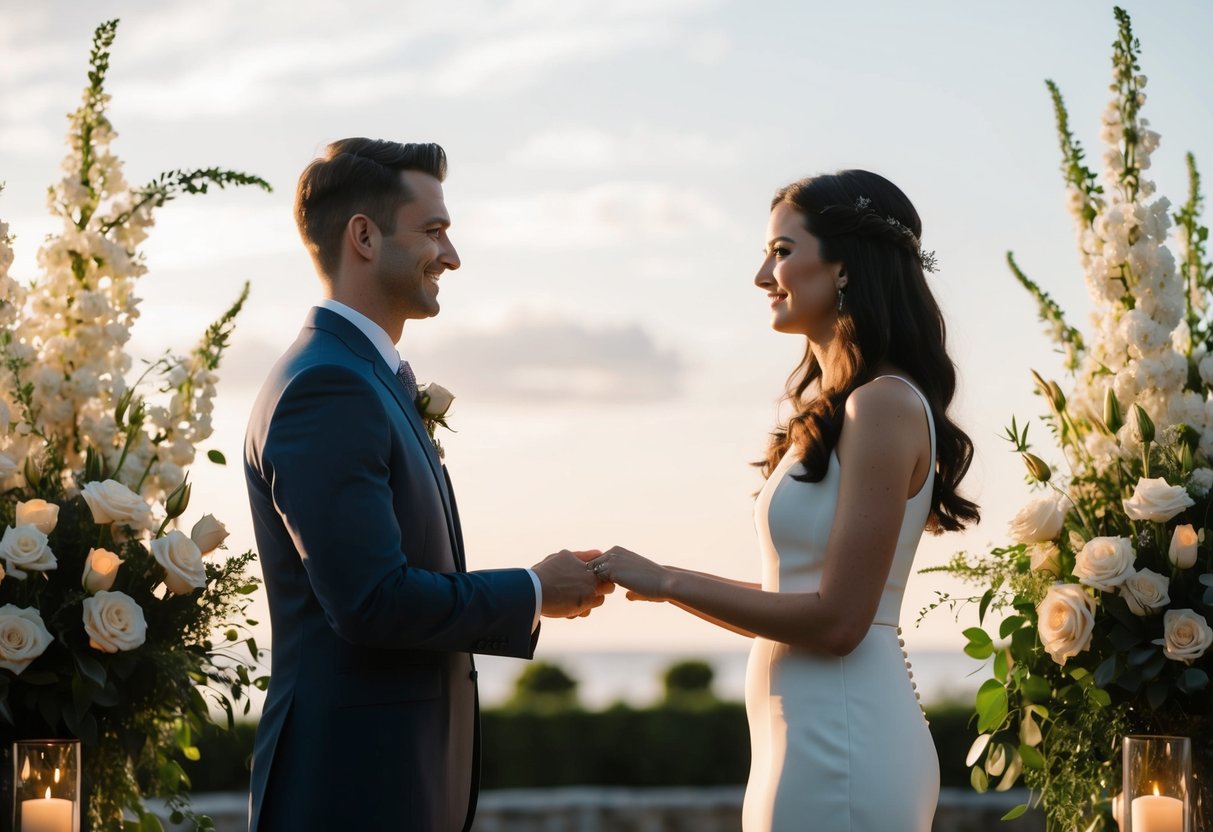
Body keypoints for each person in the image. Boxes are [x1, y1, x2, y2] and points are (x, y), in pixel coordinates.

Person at [586, 170, 979, 832]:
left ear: (844, 264)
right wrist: (659, 578)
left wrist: (668, 581)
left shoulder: (881, 405)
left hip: (844, 745)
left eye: (781, 250)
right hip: (801, 741)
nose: (762, 274)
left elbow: (838, 622)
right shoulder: (842, 410)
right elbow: (795, 598)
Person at [243, 138, 609, 831]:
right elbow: (370, 602)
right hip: (350, 789)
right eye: (434, 231)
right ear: (362, 236)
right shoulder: (327, 386)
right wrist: (533, 590)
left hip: (391, 782)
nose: (452, 256)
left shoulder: (361, 377)